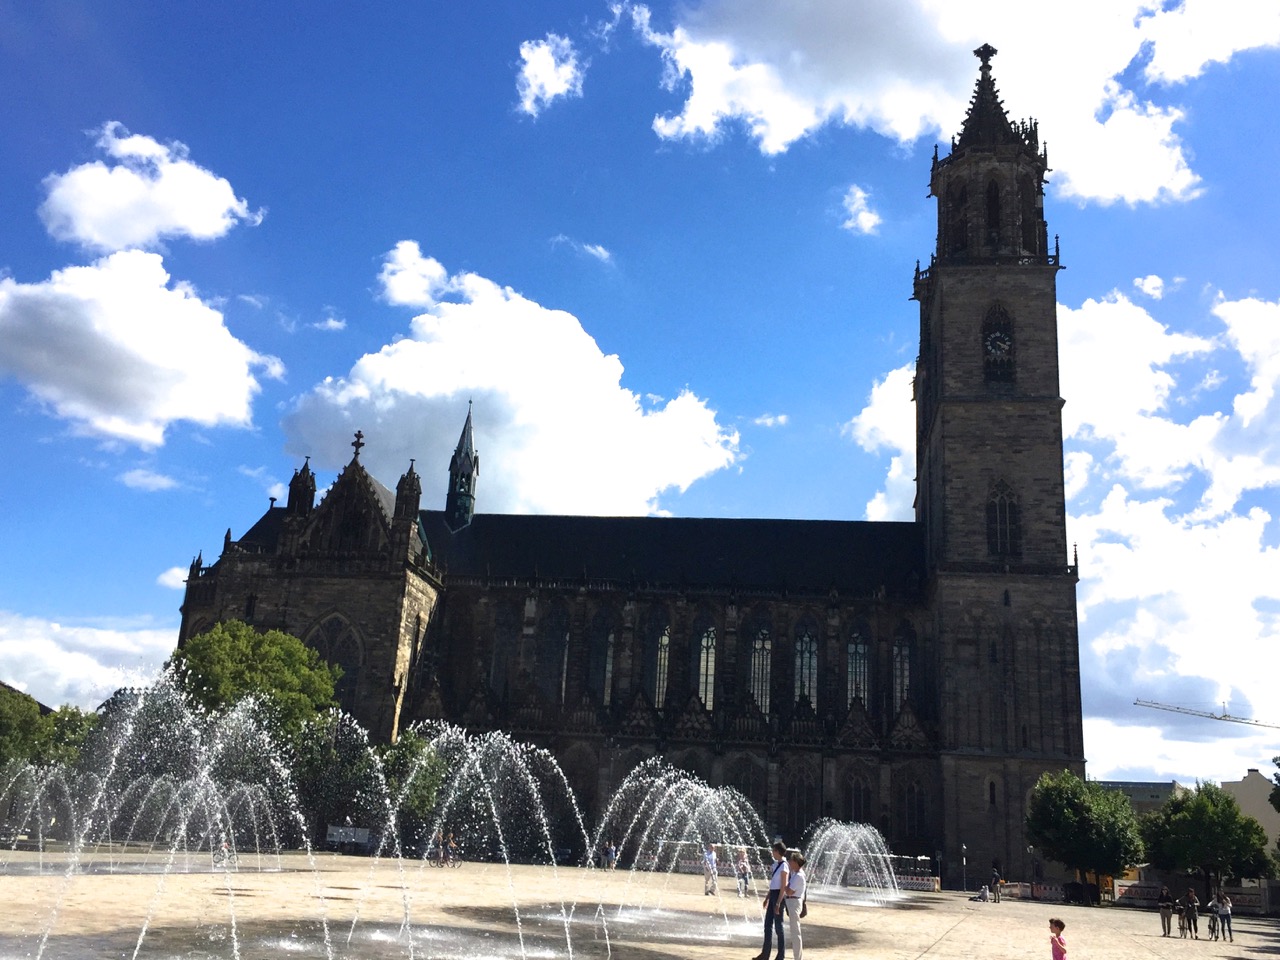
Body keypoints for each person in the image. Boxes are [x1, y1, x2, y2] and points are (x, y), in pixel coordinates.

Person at [752, 841, 788, 960]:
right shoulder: (776, 864)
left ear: (778, 852)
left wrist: (778, 902)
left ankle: (781, 955)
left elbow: (783, 885)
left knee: (778, 927)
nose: (772, 852)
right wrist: (767, 898)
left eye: (774, 850)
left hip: (778, 895)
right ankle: (765, 953)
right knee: (768, 925)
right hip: (773, 894)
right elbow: (773, 883)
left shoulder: (784, 866)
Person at [783, 850, 807, 960]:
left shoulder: (799, 876)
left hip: (794, 901)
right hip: (792, 901)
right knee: (794, 931)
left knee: (795, 931)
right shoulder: (796, 874)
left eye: (791, 861)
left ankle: (797, 957)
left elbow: (789, 891)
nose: (789, 862)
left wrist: (784, 885)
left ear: (796, 862)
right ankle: (797, 956)